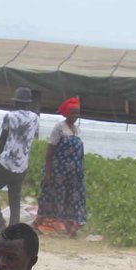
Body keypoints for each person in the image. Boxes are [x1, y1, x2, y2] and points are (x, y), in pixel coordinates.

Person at [0, 87, 39, 231]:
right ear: (28, 103)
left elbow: (3, 139)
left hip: (7, 160)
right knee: (15, 196)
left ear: (16, 102)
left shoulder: (10, 116)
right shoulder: (35, 118)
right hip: (22, 163)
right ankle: (13, 226)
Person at [36, 97, 86, 237]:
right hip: (58, 173)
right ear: (66, 113)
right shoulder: (59, 127)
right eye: (72, 113)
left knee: (71, 199)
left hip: (73, 174)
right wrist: (48, 171)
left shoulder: (77, 130)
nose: (75, 116)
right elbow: (50, 150)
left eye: (77, 113)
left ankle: (71, 229)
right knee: (52, 197)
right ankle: (37, 223)